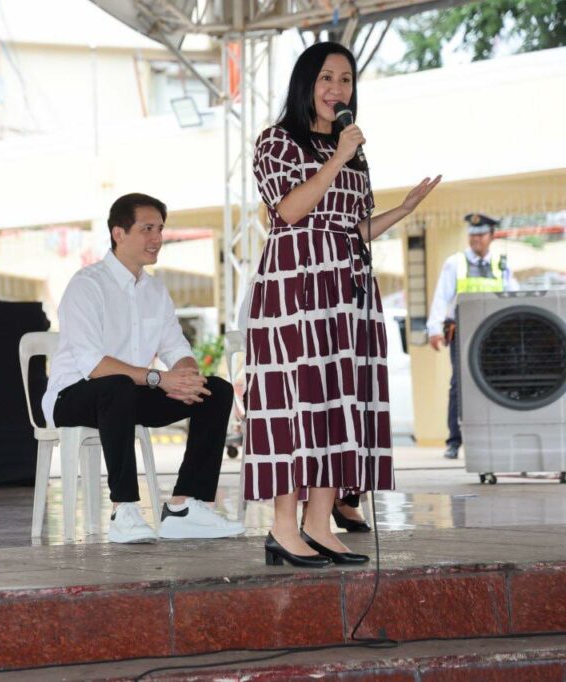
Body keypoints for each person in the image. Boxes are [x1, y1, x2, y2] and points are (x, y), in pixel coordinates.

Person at [245, 42, 441, 567]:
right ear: (306, 84)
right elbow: (290, 211)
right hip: (294, 287)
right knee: (295, 400)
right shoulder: (277, 141)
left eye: (346, 80)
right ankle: (282, 527)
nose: (337, 89)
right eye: (327, 78)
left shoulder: (353, 152)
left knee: (340, 401)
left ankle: (319, 523)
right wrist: (336, 158)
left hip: (345, 286)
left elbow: (354, 228)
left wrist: (403, 210)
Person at [42, 193, 243, 543]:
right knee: (118, 385)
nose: (157, 238)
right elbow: (93, 365)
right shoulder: (86, 285)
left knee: (214, 390)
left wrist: (187, 378)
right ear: (119, 233)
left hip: (129, 393)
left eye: (160, 229)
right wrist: (159, 378)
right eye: (147, 229)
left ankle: (185, 507)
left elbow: (176, 348)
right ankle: (124, 511)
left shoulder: (154, 290)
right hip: (73, 395)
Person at [426, 212, 517, 459]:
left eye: (481, 235)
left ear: (492, 236)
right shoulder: (455, 262)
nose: (475, 239)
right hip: (462, 332)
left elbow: (514, 295)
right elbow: (441, 297)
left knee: (499, 383)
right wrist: (434, 329)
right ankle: (454, 441)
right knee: (459, 385)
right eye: (472, 235)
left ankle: (497, 435)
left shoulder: (501, 263)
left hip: (495, 336)